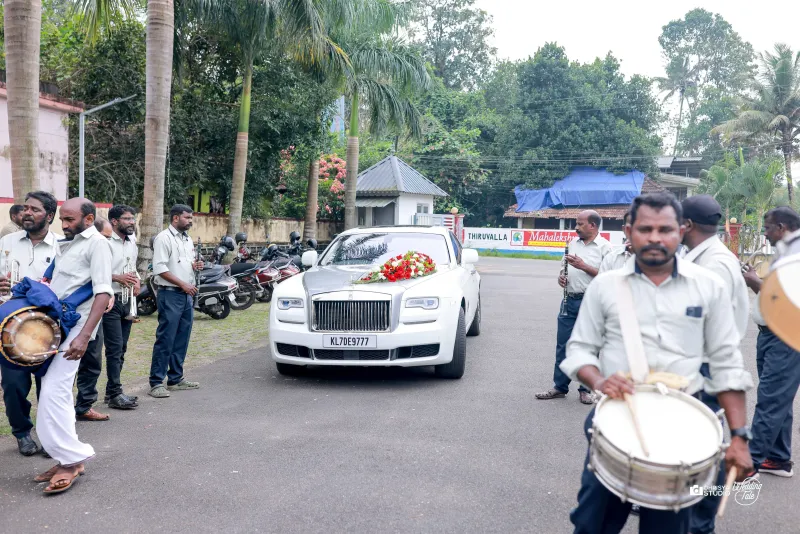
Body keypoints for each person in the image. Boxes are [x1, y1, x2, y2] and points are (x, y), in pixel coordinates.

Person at [561, 193, 754, 534]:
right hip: (616, 418)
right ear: (629, 231)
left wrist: (739, 436)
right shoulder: (606, 287)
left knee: (666, 528)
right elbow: (579, 352)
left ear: (681, 231)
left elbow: (727, 365)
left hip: (681, 426)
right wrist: (600, 381)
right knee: (591, 526)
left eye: (665, 229)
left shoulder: (708, 286)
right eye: (645, 228)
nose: (654, 237)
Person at [680, 195, 750, 534]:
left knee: (704, 448)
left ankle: (700, 521)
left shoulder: (715, 264)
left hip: (708, 366)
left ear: (688, 225)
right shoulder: (704, 256)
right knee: (693, 443)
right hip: (699, 362)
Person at [36, 197, 112, 494]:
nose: (63, 225)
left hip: (76, 328)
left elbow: (103, 293)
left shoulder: (97, 244)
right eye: (62, 220)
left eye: (69, 220)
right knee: (57, 392)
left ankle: (72, 459)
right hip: (58, 325)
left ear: (89, 219)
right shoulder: (67, 243)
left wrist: (83, 336)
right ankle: (66, 457)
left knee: (54, 390)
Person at [0, 192, 60, 456]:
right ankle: (22, 433)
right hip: (10, 327)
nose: (26, 213)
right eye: (25, 208)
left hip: (48, 327)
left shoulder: (62, 246)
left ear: (48, 215)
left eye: (34, 209)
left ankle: (50, 437)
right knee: (13, 386)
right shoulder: (7, 241)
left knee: (50, 386)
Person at [742, 206, 800, 478]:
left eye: (767, 227)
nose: (764, 233)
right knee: (779, 400)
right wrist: (757, 280)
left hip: (784, 339)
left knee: (770, 400)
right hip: (769, 335)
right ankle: (778, 459)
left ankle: (748, 464)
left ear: (783, 228)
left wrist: (755, 282)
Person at [536, 210, 611, 405]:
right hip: (569, 300)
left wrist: (583, 266)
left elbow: (609, 278)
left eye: (580, 224)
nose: (576, 227)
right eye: (576, 223)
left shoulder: (606, 248)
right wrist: (562, 277)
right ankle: (559, 387)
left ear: (593, 226)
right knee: (563, 345)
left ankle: (586, 390)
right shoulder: (572, 244)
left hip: (592, 303)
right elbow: (564, 267)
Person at [148, 204, 203, 399]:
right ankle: (156, 382)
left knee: (182, 337)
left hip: (186, 294)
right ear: (175, 218)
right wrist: (183, 284)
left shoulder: (187, 239)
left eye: (191, 217)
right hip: (171, 293)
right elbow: (160, 268)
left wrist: (195, 265)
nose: (190, 221)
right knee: (166, 338)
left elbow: (181, 264)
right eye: (187, 217)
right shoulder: (164, 238)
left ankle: (175, 378)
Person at [73, 218, 114, 422]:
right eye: (105, 236)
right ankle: (63, 411)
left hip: (95, 316)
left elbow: (103, 280)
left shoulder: (102, 247)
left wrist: (110, 295)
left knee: (92, 361)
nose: (107, 241)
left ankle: (84, 405)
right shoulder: (84, 248)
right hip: (75, 316)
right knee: (68, 366)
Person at [103, 205, 140, 409]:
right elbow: (96, 270)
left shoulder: (131, 241)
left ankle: (112, 392)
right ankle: (115, 393)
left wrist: (137, 281)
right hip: (110, 299)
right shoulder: (106, 242)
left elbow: (132, 268)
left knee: (122, 348)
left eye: (132, 219)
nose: (131, 222)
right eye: (127, 219)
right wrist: (118, 277)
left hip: (127, 300)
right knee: (114, 348)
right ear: (114, 221)